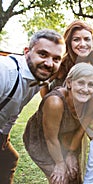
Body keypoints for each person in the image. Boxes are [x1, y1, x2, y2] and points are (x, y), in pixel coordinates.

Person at [0, 29, 65, 183]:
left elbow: (15, 108)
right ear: (27, 52)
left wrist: (4, 133)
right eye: (43, 54)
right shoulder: (5, 71)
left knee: (9, 159)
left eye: (56, 59)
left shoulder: (39, 78)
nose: (49, 63)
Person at [23, 63, 93, 184]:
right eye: (80, 82)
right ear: (69, 83)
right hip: (43, 141)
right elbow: (51, 139)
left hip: (67, 137)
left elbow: (81, 128)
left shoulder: (90, 101)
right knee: (61, 179)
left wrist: (70, 153)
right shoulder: (55, 103)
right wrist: (60, 163)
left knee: (74, 176)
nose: (85, 89)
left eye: (90, 84)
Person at [41, 20, 93, 97]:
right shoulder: (61, 65)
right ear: (69, 43)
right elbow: (43, 84)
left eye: (87, 39)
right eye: (76, 39)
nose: (83, 44)